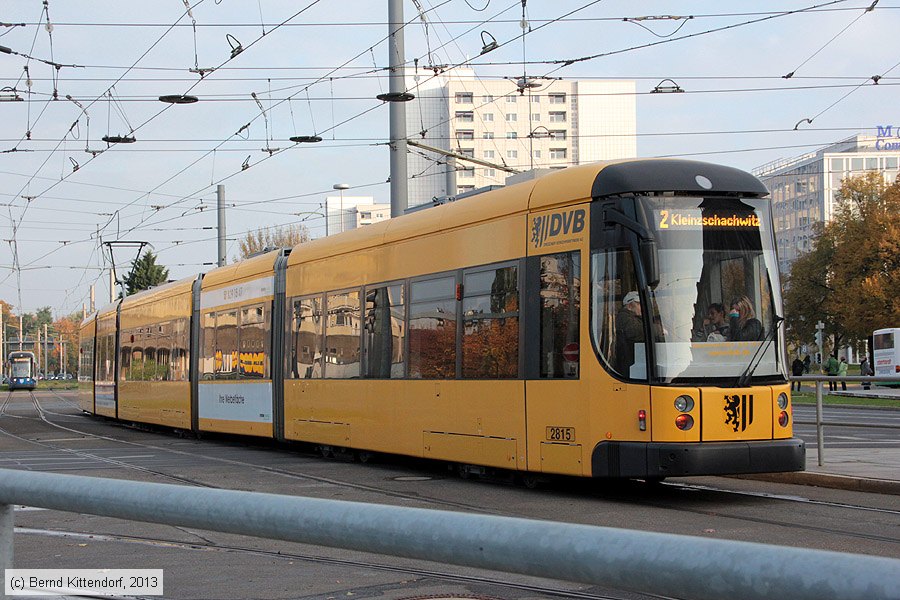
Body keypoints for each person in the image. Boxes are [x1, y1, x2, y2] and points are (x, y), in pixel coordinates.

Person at [615, 291, 645, 377]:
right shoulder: (624, 317)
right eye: (639, 304)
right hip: (628, 362)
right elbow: (634, 331)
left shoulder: (634, 318)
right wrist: (658, 329)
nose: (642, 307)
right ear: (630, 305)